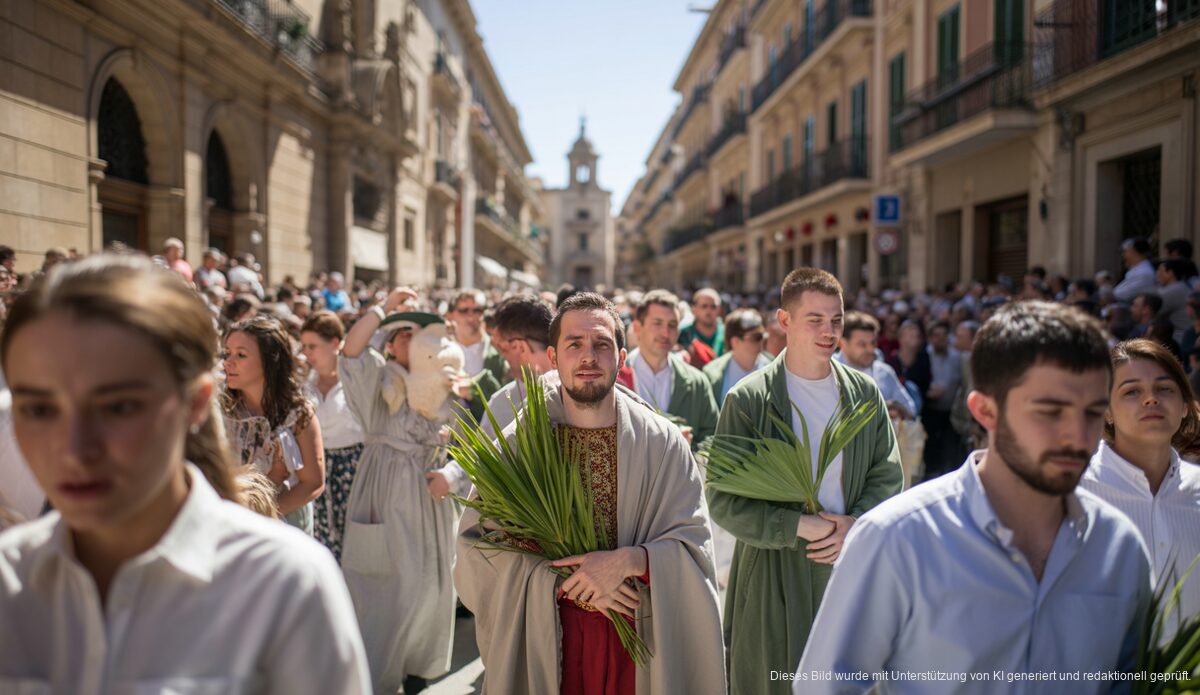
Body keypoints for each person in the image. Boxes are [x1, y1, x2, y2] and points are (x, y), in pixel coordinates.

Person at [0, 254, 370, 692]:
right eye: (39, 409)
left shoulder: (284, 584)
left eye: (118, 407)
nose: (74, 448)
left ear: (195, 404)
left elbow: (312, 479)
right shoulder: (10, 579)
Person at [796, 301, 1152, 694]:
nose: (1077, 435)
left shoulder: (1120, 546)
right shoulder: (896, 539)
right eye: (1050, 412)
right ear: (985, 411)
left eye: (1092, 413)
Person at [455, 292, 726, 695]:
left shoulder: (662, 444)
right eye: (575, 344)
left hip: (637, 650)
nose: (589, 356)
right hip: (550, 644)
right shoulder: (518, 444)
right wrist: (568, 582)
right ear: (552, 357)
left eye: (602, 345)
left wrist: (633, 560)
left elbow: (694, 546)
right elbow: (480, 551)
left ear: (621, 356)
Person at [709, 268, 903, 695]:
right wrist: (797, 525)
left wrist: (855, 522)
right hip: (773, 571)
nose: (829, 331)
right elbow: (722, 499)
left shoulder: (864, 393)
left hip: (847, 563)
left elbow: (888, 475)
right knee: (774, 679)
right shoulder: (748, 399)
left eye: (836, 320)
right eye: (815, 319)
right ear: (784, 321)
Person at [338, 288, 464, 695]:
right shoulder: (378, 386)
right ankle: (374, 677)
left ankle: (416, 672)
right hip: (383, 496)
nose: (413, 339)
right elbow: (351, 350)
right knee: (385, 590)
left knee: (429, 586)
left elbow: (474, 447)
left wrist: (451, 474)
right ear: (390, 346)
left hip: (430, 501)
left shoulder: (449, 389)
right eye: (403, 334)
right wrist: (383, 308)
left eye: (419, 334)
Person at [1081, 339, 1200, 636]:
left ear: (1185, 406)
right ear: (1106, 410)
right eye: (1132, 391)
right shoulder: (1070, 494)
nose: (1151, 399)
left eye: (1165, 389)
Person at [221, 316, 325, 534]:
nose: (228, 362)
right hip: (228, 521)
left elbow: (313, 483)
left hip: (282, 524)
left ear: (270, 360)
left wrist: (260, 516)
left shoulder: (297, 414)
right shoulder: (220, 409)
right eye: (227, 353)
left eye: (241, 354)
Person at [300, 310, 365, 562]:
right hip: (314, 467)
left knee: (355, 541)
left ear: (335, 343)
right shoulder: (304, 382)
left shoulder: (354, 380)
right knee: (320, 542)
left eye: (313, 346)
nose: (307, 353)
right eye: (304, 346)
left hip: (352, 466)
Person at [618, 289, 719, 450]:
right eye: (657, 323)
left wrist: (690, 451)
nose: (666, 333)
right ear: (637, 327)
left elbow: (713, 436)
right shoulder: (614, 379)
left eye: (672, 325)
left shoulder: (697, 382)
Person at [835, 311, 924, 488]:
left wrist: (895, 408)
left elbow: (911, 410)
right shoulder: (827, 371)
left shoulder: (885, 372)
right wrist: (882, 407)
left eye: (873, 343)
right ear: (842, 343)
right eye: (862, 344)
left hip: (882, 470)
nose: (870, 350)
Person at [447, 289, 510, 419]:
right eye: (464, 311)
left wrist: (473, 389)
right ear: (452, 315)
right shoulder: (442, 351)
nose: (471, 316)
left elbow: (508, 398)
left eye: (477, 310)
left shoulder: (500, 350)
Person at [921, 321, 964, 480]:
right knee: (931, 445)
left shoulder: (957, 357)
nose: (940, 339)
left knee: (949, 448)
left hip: (951, 411)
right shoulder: (925, 355)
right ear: (931, 338)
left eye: (944, 335)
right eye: (936, 335)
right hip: (930, 410)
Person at [703, 308, 772, 405]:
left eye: (763, 336)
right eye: (756, 337)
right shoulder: (711, 374)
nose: (761, 342)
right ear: (735, 341)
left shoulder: (775, 368)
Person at [678, 288, 726, 366]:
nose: (709, 310)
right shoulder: (682, 334)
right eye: (704, 306)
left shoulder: (727, 333)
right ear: (694, 309)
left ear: (719, 309)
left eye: (713, 306)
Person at [1156, 258, 1193, 342]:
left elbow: (1151, 310)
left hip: (1181, 338)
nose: (1157, 274)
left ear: (1170, 273)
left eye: (1160, 271)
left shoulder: (1174, 290)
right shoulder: (1181, 286)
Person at [1114, 236, 1157, 303]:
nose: (1123, 255)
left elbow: (1120, 295)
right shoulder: (1135, 270)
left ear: (1133, 252)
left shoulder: (1143, 273)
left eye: (1125, 251)